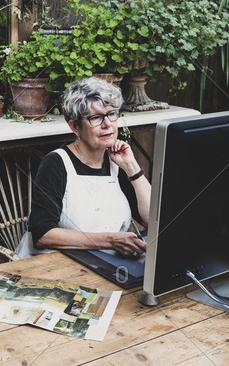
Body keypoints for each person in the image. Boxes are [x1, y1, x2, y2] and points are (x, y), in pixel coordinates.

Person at [15, 77, 151, 259]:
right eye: (96, 118)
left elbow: (152, 220)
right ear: (75, 127)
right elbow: (42, 234)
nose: (107, 124)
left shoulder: (117, 164)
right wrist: (110, 241)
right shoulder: (56, 163)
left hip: (106, 264)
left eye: (111, 114)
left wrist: (133, 168)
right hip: (56, 266)